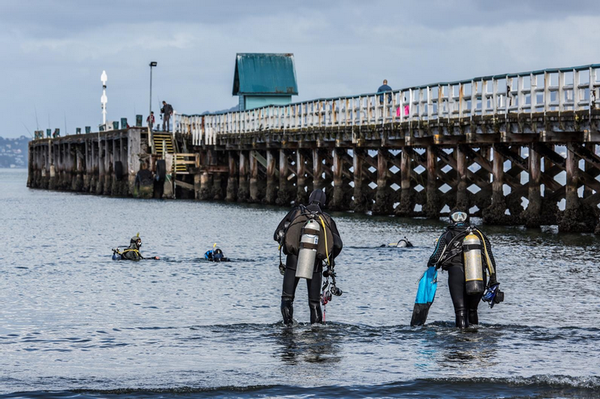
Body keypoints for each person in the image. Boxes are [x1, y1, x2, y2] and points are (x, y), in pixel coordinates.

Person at [274, 189, 343, 325]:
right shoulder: (326, 219)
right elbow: (338, 245)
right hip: (315, 263)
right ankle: (316, 334)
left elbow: (277, 235)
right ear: (324, 202)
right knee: (314, 302)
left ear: (309, 199)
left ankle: (288, 330)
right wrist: (330, 262)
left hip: (293, 259)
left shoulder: (296, 212)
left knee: (287, 299)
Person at [426, 211, 503, 328]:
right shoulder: (479, 234)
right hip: (477, 274)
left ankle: (461, 339)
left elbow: (436, 257)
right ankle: (474, 338)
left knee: (460, 311)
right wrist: (493, 279)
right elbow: (490, 258)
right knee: (472, 309)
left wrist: (431, 265)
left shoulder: (447, 235)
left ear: (451, 221)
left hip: (456, 274)